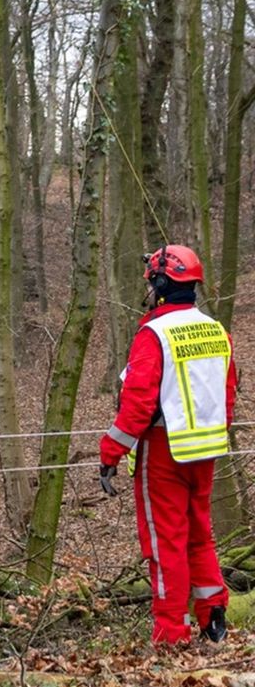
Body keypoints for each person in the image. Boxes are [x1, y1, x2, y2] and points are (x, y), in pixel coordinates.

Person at [100, 244, 237, 644]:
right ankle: (213, 616)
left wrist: (111, 450)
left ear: (160, 284)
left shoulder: (154, 333)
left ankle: (171, 632)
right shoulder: (217, 330)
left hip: (165, 449)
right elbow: (227, 394)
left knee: (165, 543)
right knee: (200, 536)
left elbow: (138, 402)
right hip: (208, 449)